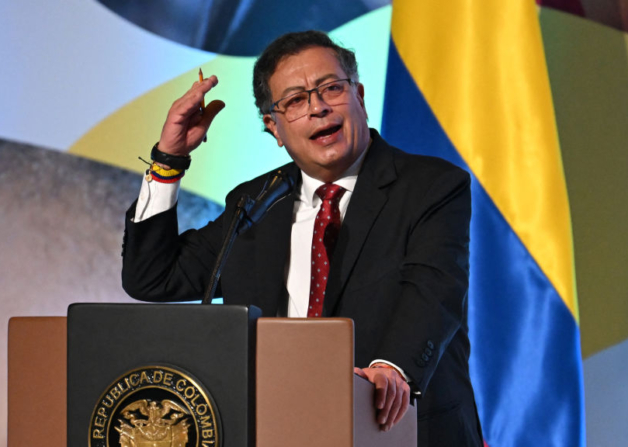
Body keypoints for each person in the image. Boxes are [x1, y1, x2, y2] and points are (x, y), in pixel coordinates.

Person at [122, 30, 482, 447]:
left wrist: (392, 368)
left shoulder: (430, 186)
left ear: (360, 96)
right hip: (282, 430)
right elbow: (152, 278)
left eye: (331, 88)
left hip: (401, 430)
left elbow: (434, 289)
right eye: (295, 100)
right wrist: (168, 160)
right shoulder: (254, 203)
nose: (318, 107)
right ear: (273, 127)